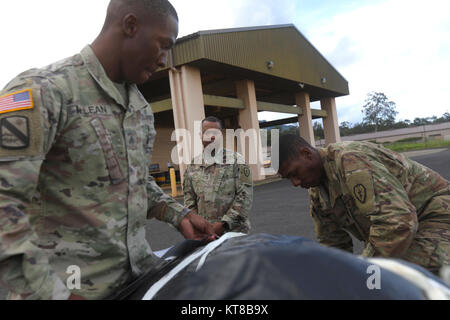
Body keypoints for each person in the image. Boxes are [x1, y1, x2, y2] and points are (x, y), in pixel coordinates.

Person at [0, 0, 217, 300]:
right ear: (130, 26)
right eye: (163, 45)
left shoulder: (139, 107)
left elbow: (133, 182)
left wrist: (178, 214)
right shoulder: (44, 91)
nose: (165, 61)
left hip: (137, 281)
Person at [277, 134, 450, 275]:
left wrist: (361, 269)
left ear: (307, 154)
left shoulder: (350, 160)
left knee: (404, 270)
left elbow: (396, 223)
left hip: (437, 215)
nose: (295, 183)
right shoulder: (317, 190)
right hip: (410, 226)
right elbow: (332, 242)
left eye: (294, 173)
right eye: (288, 179)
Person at [183, 116, 253, 235]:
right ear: (201, 135)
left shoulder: (236, 161)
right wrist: (197, 224)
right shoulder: (192, 166)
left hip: (234, 232)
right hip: (205, 234)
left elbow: (245, 196)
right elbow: (189, 200)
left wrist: (224, 224)